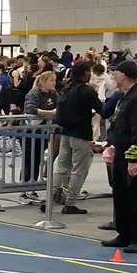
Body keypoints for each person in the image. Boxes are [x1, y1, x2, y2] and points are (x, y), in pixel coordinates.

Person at [102, 59, 137, 254]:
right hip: (120, 151)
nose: (114, 77)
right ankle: (124, 234)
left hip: (132, 154)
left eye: (116, 74)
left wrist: (134, 159)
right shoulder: (124, 96)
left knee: (134, 198)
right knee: (121, 196)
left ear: (123, 76)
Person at [53, 62, 103, 214]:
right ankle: (70, 202)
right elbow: (103, 109)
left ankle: (49, 199)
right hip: (81, 134)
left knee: (61, 167)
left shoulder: (66, 89)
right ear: (85, 73)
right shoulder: (87, 91)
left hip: (65, 133)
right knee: (79, 170)